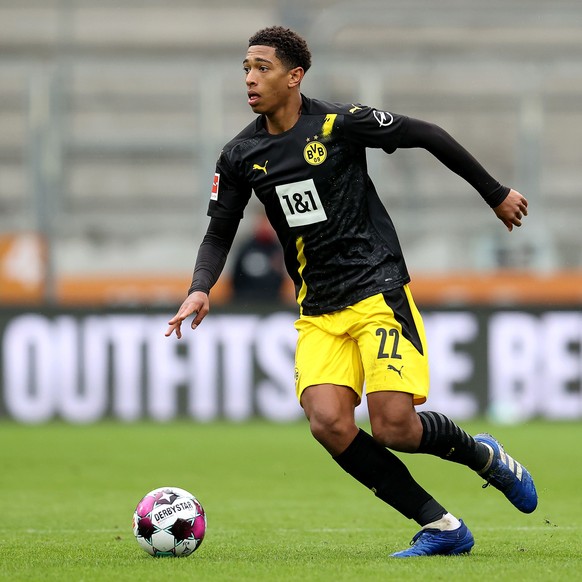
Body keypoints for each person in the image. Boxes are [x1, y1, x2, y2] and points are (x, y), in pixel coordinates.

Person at [166, 26, 537, 557]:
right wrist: (200, 289)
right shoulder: (240, 154)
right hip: (318, 309)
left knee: (394, 428)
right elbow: (219, 228)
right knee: (329, 423)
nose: (250, 78)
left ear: (295, 77)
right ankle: (443, 527)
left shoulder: (339, 124)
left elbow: (427, 133)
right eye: (246, 67)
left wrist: (495, 194)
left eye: (262, 67)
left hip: (376, 289)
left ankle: (483, 456)